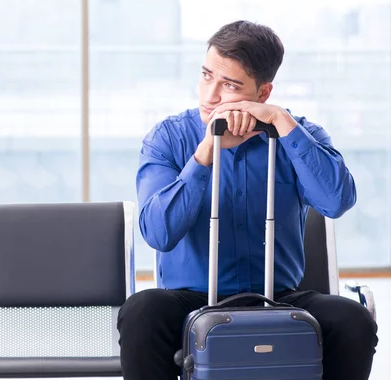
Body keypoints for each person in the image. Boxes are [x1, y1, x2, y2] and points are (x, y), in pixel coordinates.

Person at [117, 20, 378, 380]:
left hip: (279, 295)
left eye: (229, 85)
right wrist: (206, 154)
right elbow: (158, 234)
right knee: (142, 311)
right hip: (191, 299)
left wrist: (281, 122)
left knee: (352, 320)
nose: (210, 96)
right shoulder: (169, 138)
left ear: (263, 91)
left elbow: (335, 201)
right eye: (207, 76)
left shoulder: (299, 134)